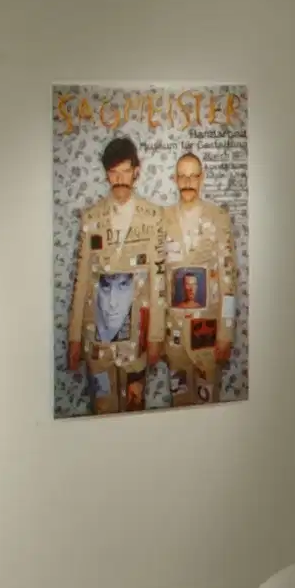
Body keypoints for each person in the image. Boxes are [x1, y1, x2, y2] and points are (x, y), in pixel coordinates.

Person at [64, 136, 168, 414]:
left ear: (137, 170)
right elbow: (81, 280)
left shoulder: (153, 216)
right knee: (102, 409)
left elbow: (158, 281)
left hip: (137, 336)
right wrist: (74, 337)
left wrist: (157, 335)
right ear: (106, 174)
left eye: (125, 171)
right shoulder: (91, 218)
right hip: (98, 338)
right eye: (113, 172)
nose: (119, 179)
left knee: (135, 408)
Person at [156, 151, 240, 408]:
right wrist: (157, 335)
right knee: (179, 405)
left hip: (208, 335)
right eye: (183, 176)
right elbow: (158, 280)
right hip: (176, 337)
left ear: (202, 178)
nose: (188, 182)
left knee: (209, 407)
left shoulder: (218, 217)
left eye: (193, 176)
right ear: (175, 179)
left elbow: (228, 280)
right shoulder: (162, 218)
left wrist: (226, 333)